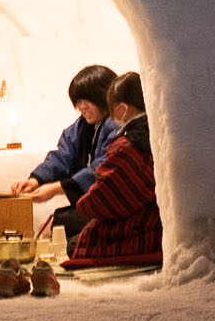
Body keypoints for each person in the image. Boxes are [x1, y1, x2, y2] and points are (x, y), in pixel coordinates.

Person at [12, 64, 121, 239]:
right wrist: (35, 180)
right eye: (78, 102)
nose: (82, 107)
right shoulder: (80, 127)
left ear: (103, 96)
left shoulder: (117, 125)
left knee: (61, 226)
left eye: (87, 100)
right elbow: (62, 156)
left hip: (113, 207)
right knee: (59, 223)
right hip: (92, 205)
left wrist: (58, 188)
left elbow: (104, 167)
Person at [69, 71, 161, 265]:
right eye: (78, 103)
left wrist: (83, 204)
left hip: (142, 225)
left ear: (122, 110)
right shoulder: (161, 133)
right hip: (159, 219)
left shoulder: (127, 145)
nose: (82, 107)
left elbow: (107, 193)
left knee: (77, 242)